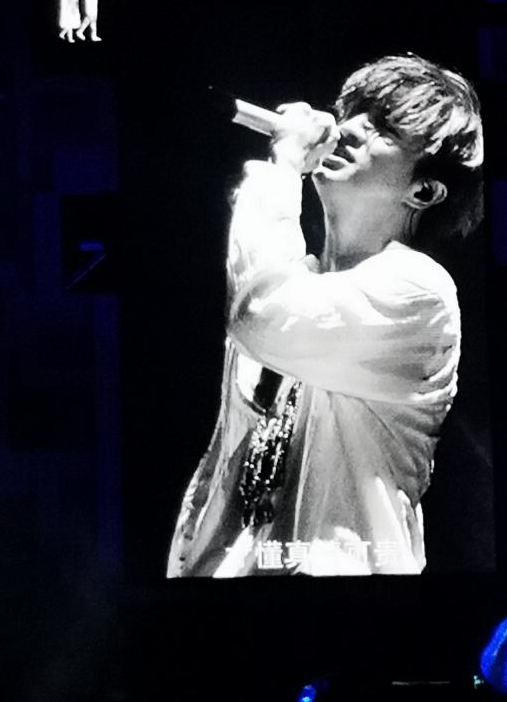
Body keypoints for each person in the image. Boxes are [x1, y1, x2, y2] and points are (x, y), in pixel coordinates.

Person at [167, 53, 484, 577]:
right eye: (353, 113)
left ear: (424, 190)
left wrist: (283, 166)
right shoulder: (298, 275)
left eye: (383, 129)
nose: (348, 129)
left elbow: (262, 314)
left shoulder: (419, 292)